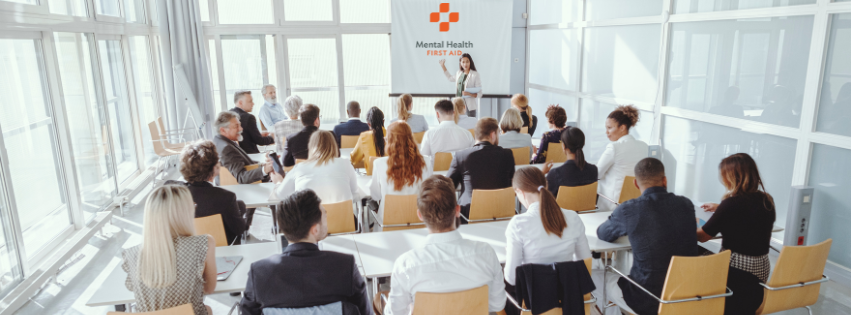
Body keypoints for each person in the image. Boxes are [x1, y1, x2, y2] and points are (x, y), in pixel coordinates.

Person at [383, 175, 505, 315]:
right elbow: (497, 304)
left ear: (420, 215)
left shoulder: (406, 265)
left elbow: (394, 313)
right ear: (457, 210)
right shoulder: (487, 253)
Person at [240, 190, 371, 315]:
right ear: (315, 229)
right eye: (324, 215)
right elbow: (365, 312)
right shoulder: (345, 266)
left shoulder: (259, 273)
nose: (327, 219)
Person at [597, 158, 698, 315]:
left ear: (636, 184)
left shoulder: (630, 209)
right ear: (665, 180)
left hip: (648, 300)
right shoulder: (686, 204)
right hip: (688, 294)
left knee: (594, 276)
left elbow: (603, 234)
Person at [504, 167, 592, 314]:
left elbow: (512, 279)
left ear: (520, 192)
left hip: (535, 307)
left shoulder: (518, 224)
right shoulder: (572, 217)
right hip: (568, 304)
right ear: (546, 185)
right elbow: (585, 264)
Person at [697, 153, 776, 314]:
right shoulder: (766, 200)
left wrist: (685, 221)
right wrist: (720, 208)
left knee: (693, 250)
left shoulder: (730, 205)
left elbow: (703, 236)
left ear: (732, 177)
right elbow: (747, 213)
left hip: (737, 273)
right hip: (761, 270)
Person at [122, 185, 216, 315]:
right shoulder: (204, 243)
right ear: (184, 214)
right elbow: (209, 288)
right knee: (207, 309)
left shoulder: (130, 254)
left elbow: (135, 290)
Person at [171, 140, 248, 244]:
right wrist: (240, 208)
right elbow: (239, 229)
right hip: (223, 247)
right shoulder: (226, 197)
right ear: (213, 168)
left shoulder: (174, 193)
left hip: (188, 248)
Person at [369, 121, 433, 231]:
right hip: (418, 220)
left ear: (390, 141)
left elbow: (375, 196)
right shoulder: (426, 161)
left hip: (388, 223)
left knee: (372, 205)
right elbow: (429, 192)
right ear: (410, 139)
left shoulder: (379, 164)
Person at [447, 118, 515, 221]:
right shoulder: (507, 155)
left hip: (469, 215)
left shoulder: (461, 156)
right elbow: (511, 183)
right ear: (493, 134)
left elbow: (449, 186)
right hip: (503, 212)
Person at [272, 130, 364, 204]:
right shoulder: (345, 164)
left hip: (310, 221)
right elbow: (355, 194)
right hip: (342, 221)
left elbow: (279, 196)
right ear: (334, 146)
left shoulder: (299, 168)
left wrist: (279, 182)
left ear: (311, 147)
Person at [597, 105, 648, 211]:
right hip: (636, 200)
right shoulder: (644, 146)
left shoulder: (614, 148)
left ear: (622, 128)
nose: (607, 132)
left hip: (613, 202)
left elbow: (596, 174)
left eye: (610, 128)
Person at [212, 111, 272, 184]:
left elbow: (241, 163)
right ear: (223, 130)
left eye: (240, 125)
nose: (241, 129)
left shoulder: (219, 141)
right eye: (236, 126)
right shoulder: (226, 148)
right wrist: (265, 169)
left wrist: (262, 165)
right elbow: (241, 176)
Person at [543, 126, 597, 198]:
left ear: (564, 146)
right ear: (583, 144)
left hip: (560, 206)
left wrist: (541, 174)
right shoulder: (593, 170)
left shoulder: (556, 173)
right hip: (587, 206)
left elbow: (545, 197)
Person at [439, 53, 482, 117]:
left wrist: (469, 94)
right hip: (458, 104)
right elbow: (450, 78)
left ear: (470, 62)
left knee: (470, 122)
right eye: (463, 62)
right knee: (457, 122)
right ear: (460, 63)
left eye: (467, 61)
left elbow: (479, 94)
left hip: (469, 106)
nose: (465, 64)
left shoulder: (475, 74)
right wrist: (443, 66)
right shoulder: (459, 73)